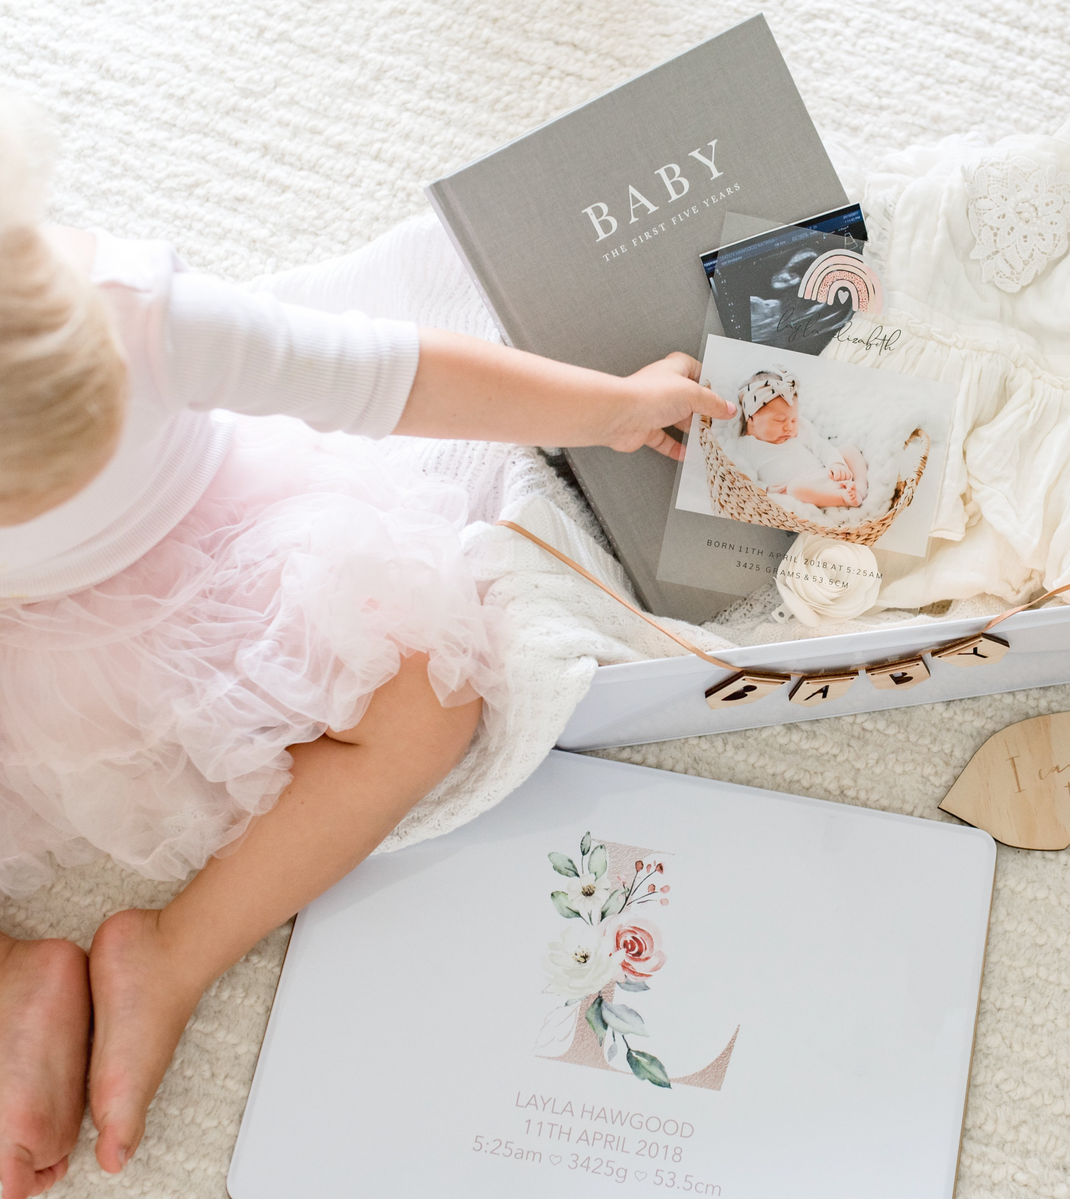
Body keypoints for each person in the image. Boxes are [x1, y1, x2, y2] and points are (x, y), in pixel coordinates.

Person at [0, 96, 734, 1199]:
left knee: (428, 703)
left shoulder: (141, 313)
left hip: (216, 553)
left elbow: (400, 376)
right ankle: (18, 983)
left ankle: (173, 951)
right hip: (28, 643)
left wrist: (614, 407)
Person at [733, 369, 867, 508]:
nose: (789, 427)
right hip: (808, 492)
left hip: (832, 476)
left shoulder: (800, 428)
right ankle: (842, 498)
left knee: (847, 449)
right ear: (751, 418)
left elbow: (821, 446)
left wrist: (836, 463)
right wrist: (766, 488)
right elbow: (747, 479)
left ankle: (860, 487)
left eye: (793, 420)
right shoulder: (745, 446)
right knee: (794, 488)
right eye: (779, 420)